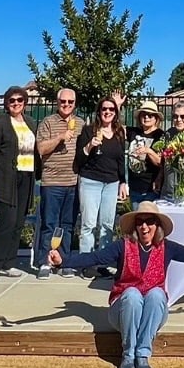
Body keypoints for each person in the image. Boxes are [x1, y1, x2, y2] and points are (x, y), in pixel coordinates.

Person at [47, 201, 184, 368]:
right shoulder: (123, 246)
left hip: (153, 310)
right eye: (140, 222)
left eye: (150, 222)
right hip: (123, 310)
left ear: (158, 226)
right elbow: (93, 258)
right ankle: (128, 355)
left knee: (157, 294)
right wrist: (62, 261)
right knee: (131, 294)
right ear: (135, 226)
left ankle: (143, 355)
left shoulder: (168, 247)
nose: (145, 227)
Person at [0, 85, 38, 281]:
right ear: (7, 103)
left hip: (26, 176)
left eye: (19, 100)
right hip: (5, 177)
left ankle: (9, 262)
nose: (16, 104)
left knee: (18, 223)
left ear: (25, 102)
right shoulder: (2, 122)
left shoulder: (30, 122)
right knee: (7, 221)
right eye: (12, 100)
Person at [74, 96, 129, 279]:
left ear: (116, 113)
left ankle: (103, 263)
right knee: (88, 224)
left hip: (111, 183)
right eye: (104, 109)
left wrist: (123, 181)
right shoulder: (89, 131)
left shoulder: (119, 132)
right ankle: (87, 263)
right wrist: (89, 146)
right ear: (99, 112)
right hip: (91, 181)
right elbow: (79, 160)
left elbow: (121, 160)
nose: (107, 112)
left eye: (111, 110)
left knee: (107, 225)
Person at [34, 88, 84, 279]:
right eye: (63, 101)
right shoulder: (48, 122)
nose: (67, 105)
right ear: (57, 102)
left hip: (73, 181)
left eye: (70, 102)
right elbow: (41, 149)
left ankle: (64, 261)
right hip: (52, 182)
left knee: (68, 224)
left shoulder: (80, 123)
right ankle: (44, 262)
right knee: (49, 224)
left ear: (75, 104)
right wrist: (60, 137)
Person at [126, 100, 165, 207]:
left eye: (150, 115)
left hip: (151, 188)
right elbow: (115, 127)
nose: (146, 117)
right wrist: (117, 105)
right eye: (143, 115)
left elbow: (160, 162)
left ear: (156, 118)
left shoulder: (161, 136)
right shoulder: (134, 132)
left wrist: (148, 151)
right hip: (134, 186)